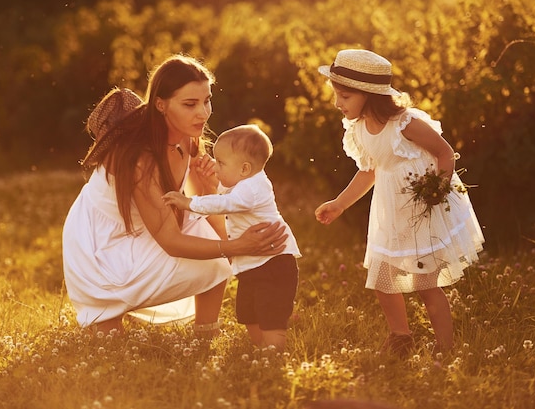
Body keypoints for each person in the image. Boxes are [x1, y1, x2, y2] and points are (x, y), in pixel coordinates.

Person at [62, 54, 288, 336]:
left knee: (212, 245)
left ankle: (206, 330)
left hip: (150, 227)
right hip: (102, 242)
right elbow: (170, 241)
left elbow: (206, 210)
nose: (203, 113)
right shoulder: (140, 159)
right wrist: (237, 247)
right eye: (190, 104)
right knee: (107, 337)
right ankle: (111, 305)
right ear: (161, 104)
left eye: (206, 100)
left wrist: (210, 191)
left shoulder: (187, 134)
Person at [314, 49, 484, 356]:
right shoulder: (359, 129)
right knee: (382, 277)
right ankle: (400, 337)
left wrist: (437, 190)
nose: (338, 103)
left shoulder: (405, 124)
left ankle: (446, 348)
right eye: (337, 95)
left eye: (344, 96)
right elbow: (369, 171)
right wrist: (340, 203)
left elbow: (445, 153)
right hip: (391, 211)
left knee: (425, 284)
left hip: (422, 208)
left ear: (369, 95)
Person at [162, 124, 301, 351]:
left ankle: (273, 354)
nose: (216, 167)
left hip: (274, 264)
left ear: (244, 169)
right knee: (249, 313)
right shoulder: (241, 185)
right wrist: (211, 182)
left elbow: (224, 203)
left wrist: (189, 202)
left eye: (221, 163)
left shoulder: (254, 188)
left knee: (270, 314)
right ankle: (260, 350)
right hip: (251, 265)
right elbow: (224, 195)